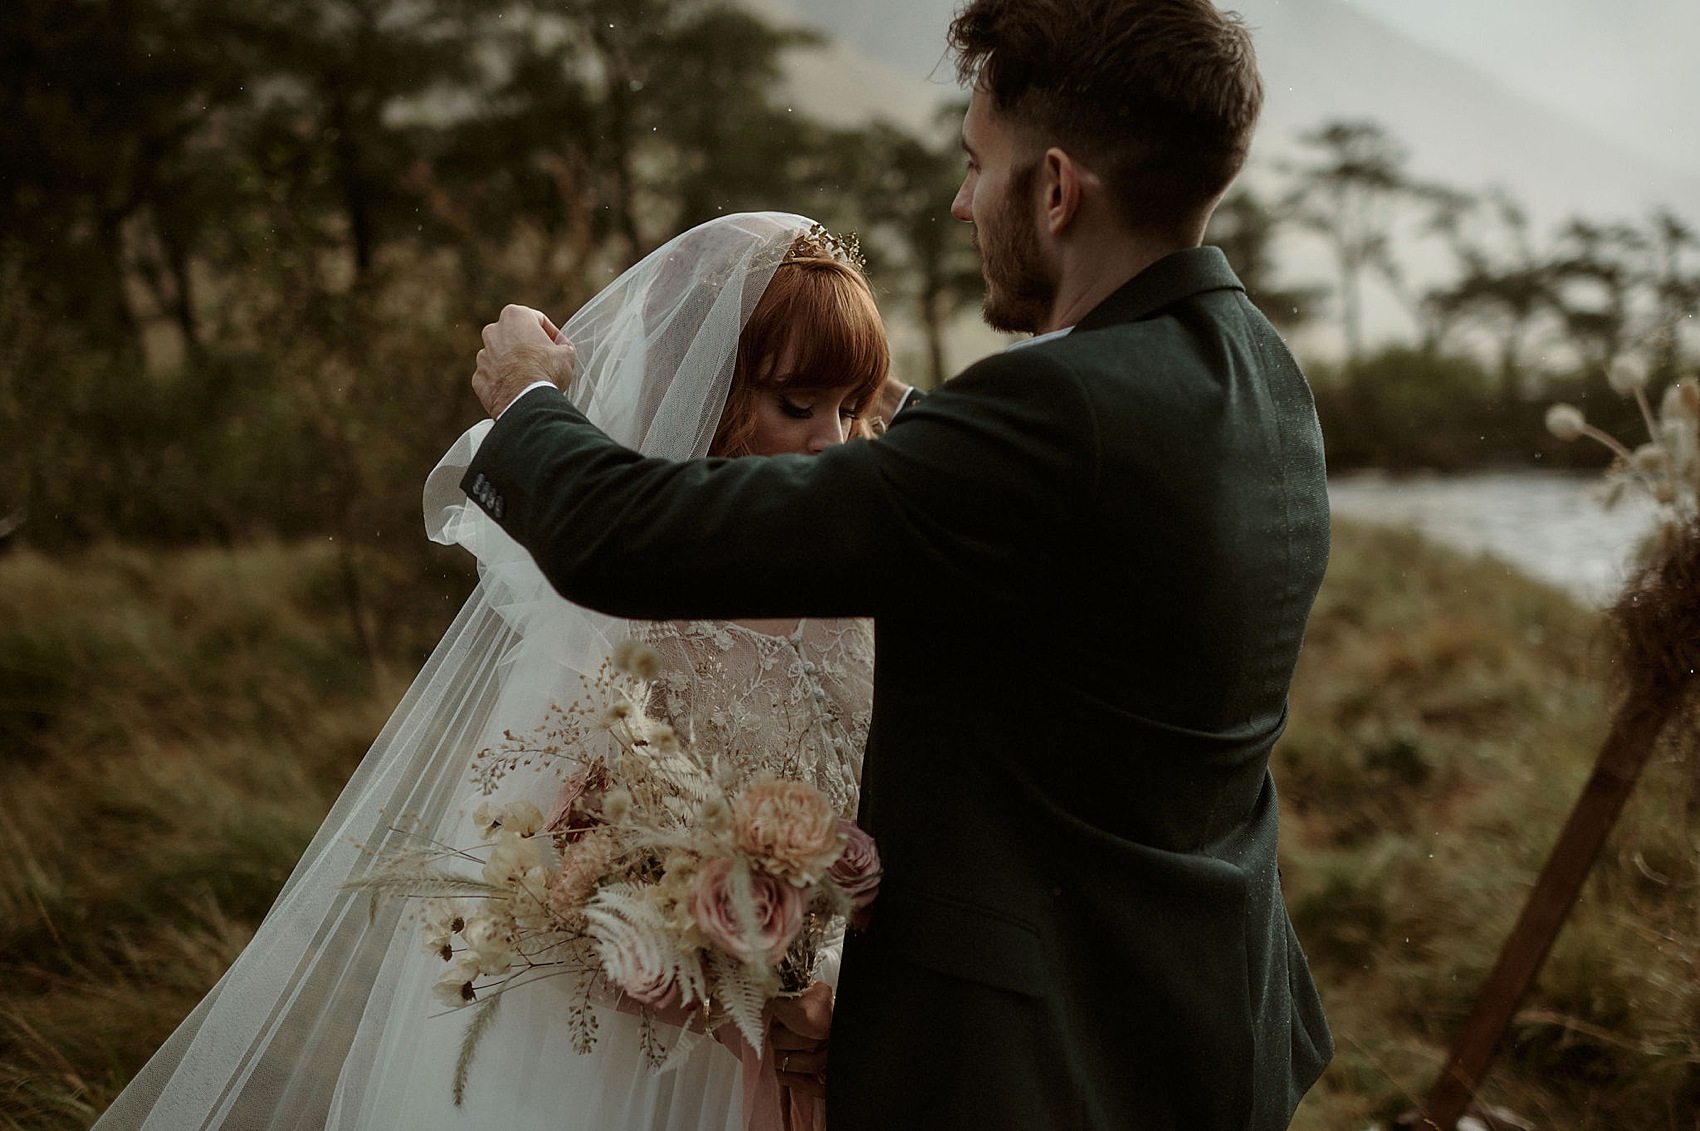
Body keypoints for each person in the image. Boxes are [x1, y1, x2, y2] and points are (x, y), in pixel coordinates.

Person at [459, 1, 1334, 1129]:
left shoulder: (1055, 413)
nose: (963, 200)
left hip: (1032, 1059)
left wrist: (530, 404)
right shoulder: (1257, 374)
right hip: (1206, 1018)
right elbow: (985, 489)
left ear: (1056, 190)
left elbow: (630, 536)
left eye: (979, 165)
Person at [90, 211, 891, 1131]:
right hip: (643, 1072)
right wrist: (726, 980)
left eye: (852, 404)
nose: (835, 440)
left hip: (836, 1047)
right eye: (798, 404)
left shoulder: (871, 581)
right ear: (700, 390)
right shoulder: (624, 605)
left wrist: (829, 992)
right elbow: (556, 869)